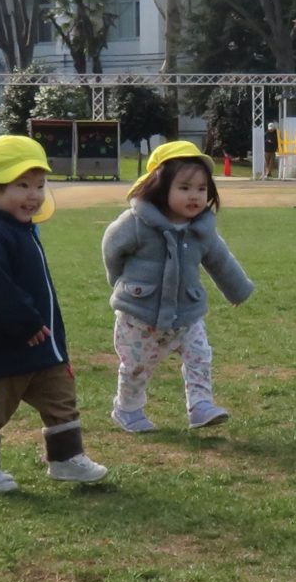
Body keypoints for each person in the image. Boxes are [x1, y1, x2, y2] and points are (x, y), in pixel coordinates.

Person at [0, 134, 107, 494]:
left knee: (61, 398)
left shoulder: (20, 229)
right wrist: (25, 322)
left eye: (39, 185)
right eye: (22, 185)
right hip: (0, 352)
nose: (34, 195)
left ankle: (66, 458)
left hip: (41, 347)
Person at [101, 140, 255, 432]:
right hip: (139, 313)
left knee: (199, 356)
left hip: (187, 311)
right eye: (184, 188)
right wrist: (120, 281)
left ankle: (200, 405)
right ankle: (127, 409)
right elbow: (112, 247)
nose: (194, 196)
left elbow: (220, 260)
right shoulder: (137, 222)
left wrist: (237, 289)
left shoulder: (201, 230)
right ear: (160, 187)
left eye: (201, 189)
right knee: (136, 366)